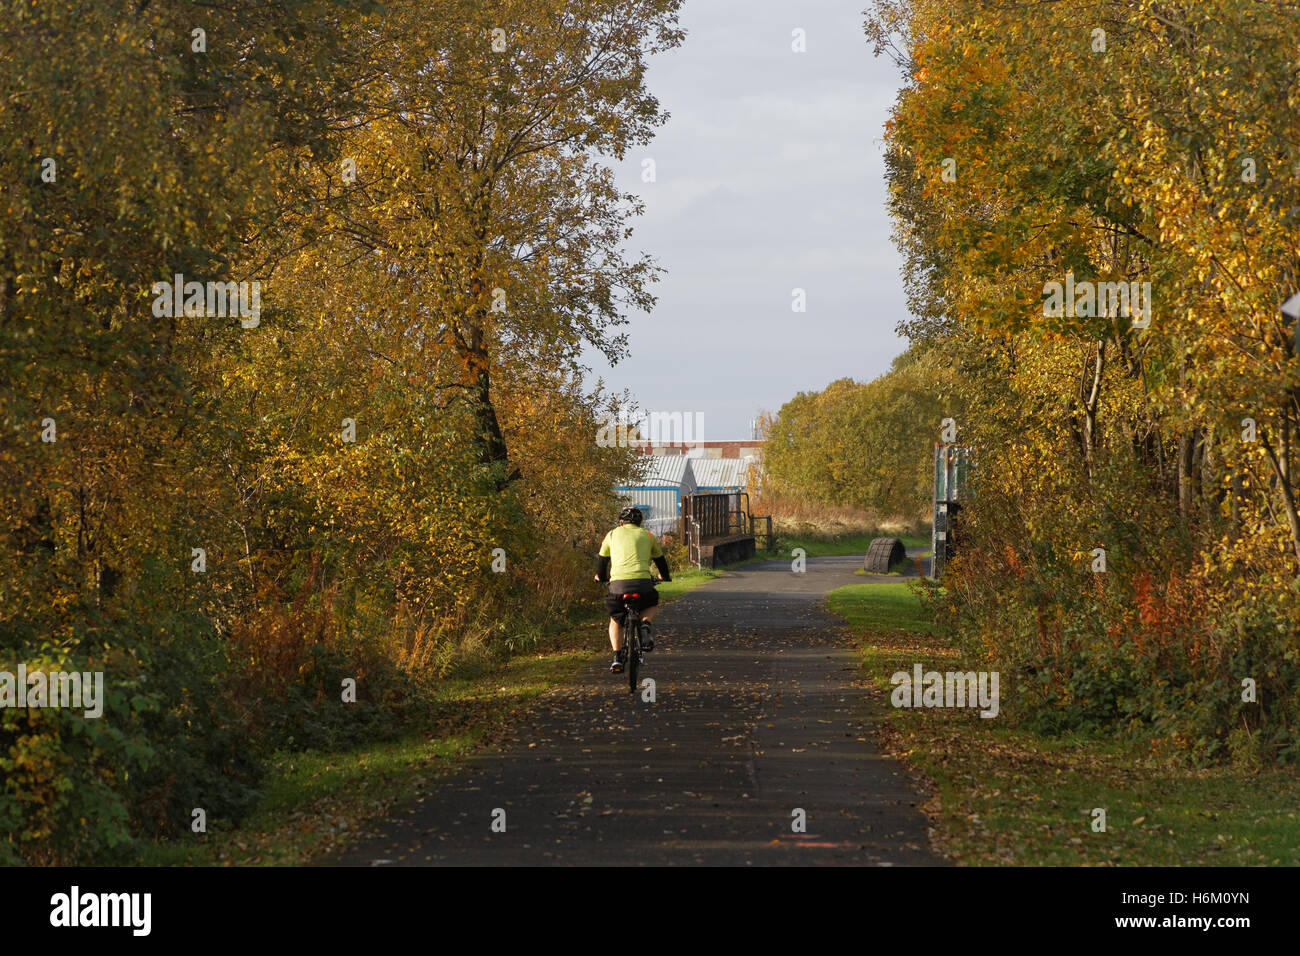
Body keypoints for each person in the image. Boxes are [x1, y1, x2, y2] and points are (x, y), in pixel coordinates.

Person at [594, 506, 671, 674]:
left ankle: (616, 658)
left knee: (615, 619)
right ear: (640, 522)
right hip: (642, 583)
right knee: (651, 602)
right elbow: (660, 561)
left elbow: (602, 561)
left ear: (621, 522)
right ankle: (645, 625)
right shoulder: (648, 535)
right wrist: (664, 576)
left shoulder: (612, 534)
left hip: (618, 586)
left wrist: (601, 576)